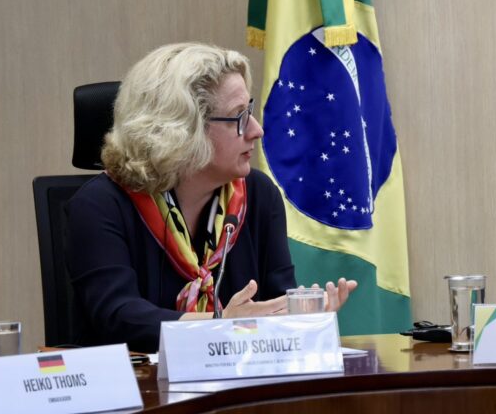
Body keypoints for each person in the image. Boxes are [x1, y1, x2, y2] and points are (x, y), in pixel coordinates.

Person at [67, 43, 357, 352]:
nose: (257, 130)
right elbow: (118, 317)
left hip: (239, 390)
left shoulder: (259, 196)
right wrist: (220, 325)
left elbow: (275, 299)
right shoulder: (100, 205)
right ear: (183, 130)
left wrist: (302, 318)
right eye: (239, 117)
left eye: (251, 111)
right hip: (140, 393)